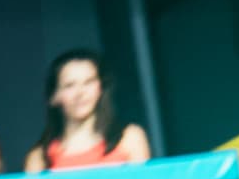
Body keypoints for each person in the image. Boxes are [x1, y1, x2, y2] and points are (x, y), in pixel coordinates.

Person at [23, 51, 151, 172]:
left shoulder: (130, 138)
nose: (80, 93)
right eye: (69, 85)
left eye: (88, 82)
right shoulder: (38, 158)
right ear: (54, 96)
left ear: (100, 88)